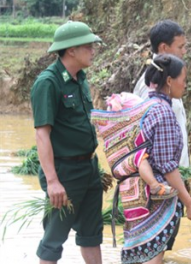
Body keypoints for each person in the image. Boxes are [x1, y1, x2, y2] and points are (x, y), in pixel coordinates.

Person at [30, 21, 104, 264]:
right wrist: (52, 181)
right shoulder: (48, 83)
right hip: (65, 173)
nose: (93, 51)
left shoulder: (80, 79)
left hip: (89, 169)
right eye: (89, 46)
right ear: (71, 50)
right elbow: (42, 134)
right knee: (54, 239)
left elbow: (82, 123)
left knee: (92, 235)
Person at [121, 54, 191, 264]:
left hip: (137, 193)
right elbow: (168, 168)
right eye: (183, 79)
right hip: (157, 197)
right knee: (153, 257)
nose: (185, 85)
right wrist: (190, 202)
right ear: (169, 81)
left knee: (140, 253)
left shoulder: (144, 105)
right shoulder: (164, 113)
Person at [133, 19, 190, 168]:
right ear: (164, 47)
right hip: (165, 180)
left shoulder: (170, 76)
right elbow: (144, 142)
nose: (184, 51)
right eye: (180, 47)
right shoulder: (151, 85)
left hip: (176, 176)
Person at [104, 92, 177, 200]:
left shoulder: (124, 101)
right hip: (122, 146)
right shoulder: (122, 117)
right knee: (140, 160)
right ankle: (154, 186)